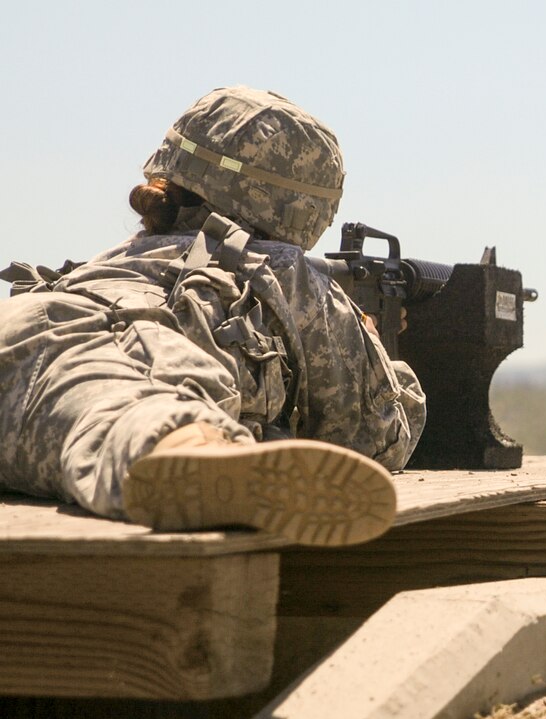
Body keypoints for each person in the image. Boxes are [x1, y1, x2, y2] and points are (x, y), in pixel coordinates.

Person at [0, 86, 426, 547]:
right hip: (137, 350)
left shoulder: (115, 256)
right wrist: (382, 356)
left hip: (21, 323)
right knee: (138, 420)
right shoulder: (282, 268)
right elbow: (374, 437)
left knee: (107, 414)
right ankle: (201, 460)